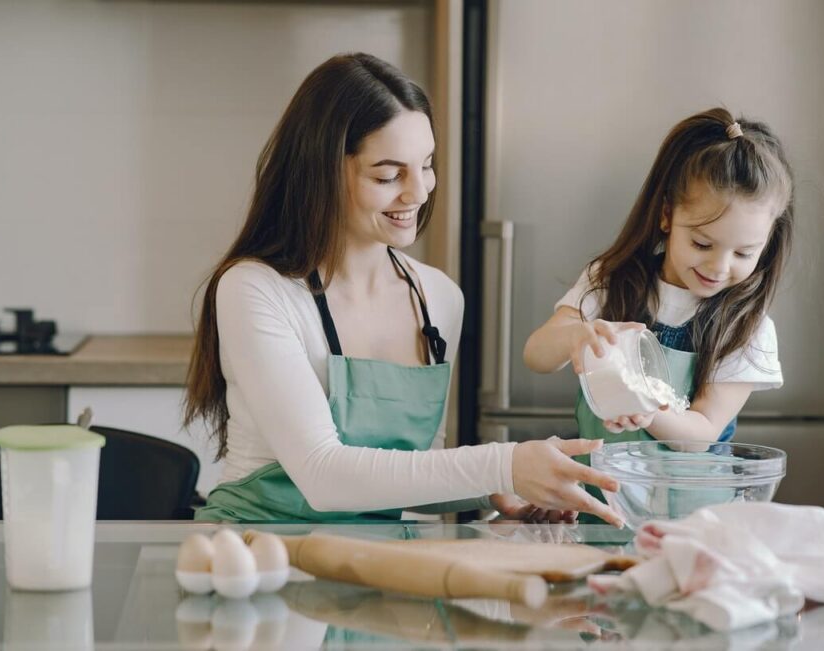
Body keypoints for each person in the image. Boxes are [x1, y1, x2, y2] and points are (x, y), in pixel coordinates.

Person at [183, 52, 623, 526]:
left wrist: (500, 489)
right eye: (389, 175)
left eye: (427, 166)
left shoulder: (438, 299)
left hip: (371, 565)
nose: (418, 192)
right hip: (256, 559)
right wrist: (503, 464)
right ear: (323, 171)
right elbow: (323, 474)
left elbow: (408, 474)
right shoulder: (255, 289)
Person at [524, 108, 793, 512]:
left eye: (744, 252)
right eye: (703, 244)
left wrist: (641, 405)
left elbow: (699, 434)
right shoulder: (611, 282)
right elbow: (537, 356)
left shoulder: (747, 327)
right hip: (598, 502)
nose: (719, 267)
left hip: (692, 518)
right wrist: (573, 336)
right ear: (667, 216)